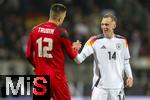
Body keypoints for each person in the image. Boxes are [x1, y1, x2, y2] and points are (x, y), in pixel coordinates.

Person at [26, 3, 81, 100]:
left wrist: (36, 66)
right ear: (60, 18)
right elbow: (72, 55)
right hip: (57, 79)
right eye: (63, 18)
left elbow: (28, 55)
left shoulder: (35, 30)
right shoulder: (61, 32)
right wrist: (75, 48)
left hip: (41, 78)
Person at [74, 13, 133, 100]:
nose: (104, 27)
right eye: (102, 24)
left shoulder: (122, 41)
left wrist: (130, 76)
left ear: (114, 25)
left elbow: (126, 61)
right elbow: (79, 59)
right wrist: (74, 51)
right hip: (100, 89)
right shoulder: (93, 41)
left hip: (118, 88)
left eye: (107, 24)